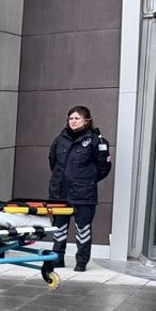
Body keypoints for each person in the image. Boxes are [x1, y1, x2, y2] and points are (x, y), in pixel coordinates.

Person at [48, 105, 111, 272]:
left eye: (77, 118)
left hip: (84, 194)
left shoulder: (96, 140)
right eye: (71, 118)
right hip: (60, 194)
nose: (73, 121)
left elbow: (103, 167)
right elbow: (53, 162)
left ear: (86, 120)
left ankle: (81, 262)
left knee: (82, 229)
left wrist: (87, 179)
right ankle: (57, 259)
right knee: (59, 228)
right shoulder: (60, 139)